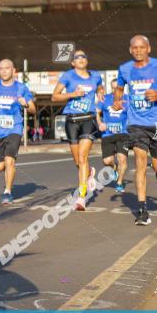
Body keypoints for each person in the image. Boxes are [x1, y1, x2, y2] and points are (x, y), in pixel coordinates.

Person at [113, 35, 157, 226]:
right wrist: (117, 101)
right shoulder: (124, 69)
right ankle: (142, 210)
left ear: (148, 49)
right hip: (137, 124)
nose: (138, 50)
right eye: (134, 47)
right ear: (130, 50)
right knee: (140, 160)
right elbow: (119, 89)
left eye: (141, 47)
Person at [0, 59, 36, 205]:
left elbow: (33, 109)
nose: (3, 71)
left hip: (14, 128)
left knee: (10, 161)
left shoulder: (21, 88)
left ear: (13, 71)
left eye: (7, 68)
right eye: (1, 68)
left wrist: (26, 104)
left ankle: (7, 192)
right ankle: (5, 172)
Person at [52, 50, 102, 211]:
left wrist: (100, 93)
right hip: (71, 120)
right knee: (77, 162)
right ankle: (89, 173)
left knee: (82, 158)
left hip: (88, 119)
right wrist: (73, 94)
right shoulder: (67, 76)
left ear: (87, 60)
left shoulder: (95, 76)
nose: (80, 59)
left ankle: (81, 197)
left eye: (83, 56)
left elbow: (100, 88)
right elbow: (55, 96)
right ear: (73, 63)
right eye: (77, 57)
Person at [97, 79, 128, 193]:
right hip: (107, 134)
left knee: (122, 159)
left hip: (123, 134)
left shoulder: (127, 100)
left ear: (122, 88)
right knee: (106, 161)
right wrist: (100, 123)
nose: (115, 90)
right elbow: (97, 112)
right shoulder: (105, 98)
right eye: (113, 88)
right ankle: (114, 168)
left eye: (117, 88)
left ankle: (119, 183)